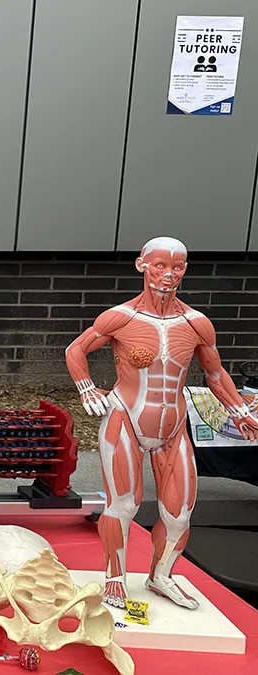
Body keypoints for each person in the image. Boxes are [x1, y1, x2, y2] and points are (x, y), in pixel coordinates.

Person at [65, 236, 258, 610]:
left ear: (184, 270)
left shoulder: (197, 323)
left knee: (180, 512)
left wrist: (240, 411)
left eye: (177, 267)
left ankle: (161, 576)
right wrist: (87, 389)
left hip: (173, 427)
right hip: (126, 417)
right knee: (123, 504)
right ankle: (115, 576)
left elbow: (215, 375)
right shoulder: (121, 317)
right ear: (142, 266)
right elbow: (76, 350)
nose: (168, 275)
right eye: (160, 266)